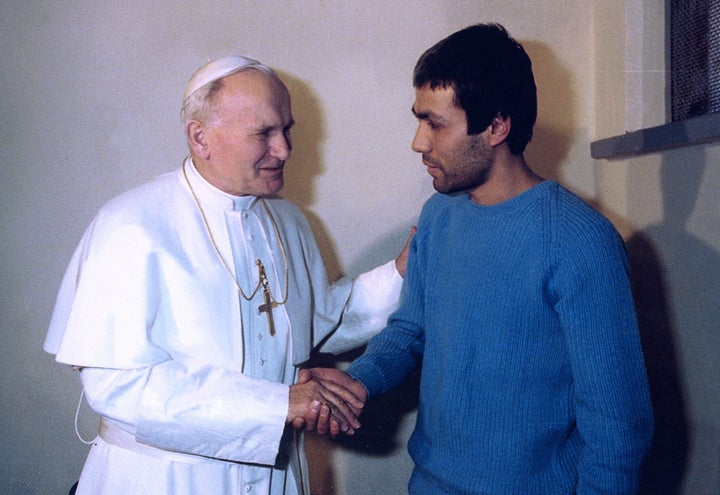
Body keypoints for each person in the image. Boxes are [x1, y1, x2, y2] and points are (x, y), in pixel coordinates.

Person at [304, 23, 654, 494]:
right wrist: (354, 387)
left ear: (495, 126)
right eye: (419, 119)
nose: (418, 142)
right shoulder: (438, 216)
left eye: (436, 123)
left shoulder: (580, 242)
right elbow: (408, 332)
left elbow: (617, 426)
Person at [44, 55, 410, 495]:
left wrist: (402, 272)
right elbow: (116, 385)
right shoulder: (132, 224)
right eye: (265, 133)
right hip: (165, 480)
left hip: (272, 475)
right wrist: (279, 403)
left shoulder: (288, 221)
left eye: (286, 129)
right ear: (200, 137)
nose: (285, 149)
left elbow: (324, 320)